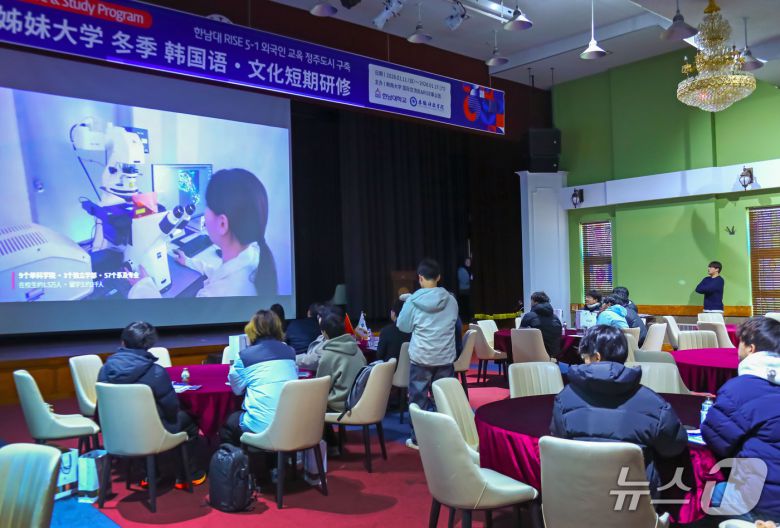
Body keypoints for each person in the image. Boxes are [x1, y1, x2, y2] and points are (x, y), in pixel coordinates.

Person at [551, 325, 687, 495]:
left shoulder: (564, 398)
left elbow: (559, 445)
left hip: (579, 495)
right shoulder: (653, 402)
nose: (583, 361)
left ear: (597, 357)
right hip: (634, 501)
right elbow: (674, 447)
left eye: (585, 357)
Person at [129, 168, 278, 298]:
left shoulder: (215, 295)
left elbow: (168, 318)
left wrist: (143, 287)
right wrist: (189, 262)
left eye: (207, 206)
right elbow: (220, 275)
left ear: (222, 224)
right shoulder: (253, 256)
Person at [98, 321, 206, 487]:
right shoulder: (156, 372)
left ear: (123, 342)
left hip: (116, 432)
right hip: (150, 432)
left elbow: (102, 406)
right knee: (189, 420)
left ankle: (150, 475)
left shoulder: (105, 369)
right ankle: (189, 475)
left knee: (142, 421)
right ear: (149, 345)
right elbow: (171, 408)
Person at [701, 317, 780, 522]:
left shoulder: (739, 388)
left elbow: (715, 439)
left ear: (751, 349)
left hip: (763, 503)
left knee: (702, 492)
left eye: (740, 344)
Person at [397, 258, 459, 449]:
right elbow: (453, 323)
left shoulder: (413, 301)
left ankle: (419, 439)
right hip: (445, 357)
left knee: (418, 400)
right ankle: (446, 438)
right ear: (438, 277)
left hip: (421, 358)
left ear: (420, 278)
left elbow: (403, 326)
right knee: (444, 399)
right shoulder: (451, 300)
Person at [220, 310, 298, 445]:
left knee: (229, 423)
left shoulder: (244, 356)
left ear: (252, 330)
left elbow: (237, 390)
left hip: (261, 426)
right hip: (291, 423)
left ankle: (242, 458)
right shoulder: (290, 352)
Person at [316, 305, 366, 413]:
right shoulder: (357, 349)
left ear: (324, 333)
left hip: (339, 406)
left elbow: (320, 390)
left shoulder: (328, 355)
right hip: (360, 402)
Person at [519, 291, 563, 359]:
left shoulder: (529, 316)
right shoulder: (556, 318)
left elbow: (519, 336)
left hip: (532, 355)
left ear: (535, 302)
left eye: (531, 301)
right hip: (552, 356)